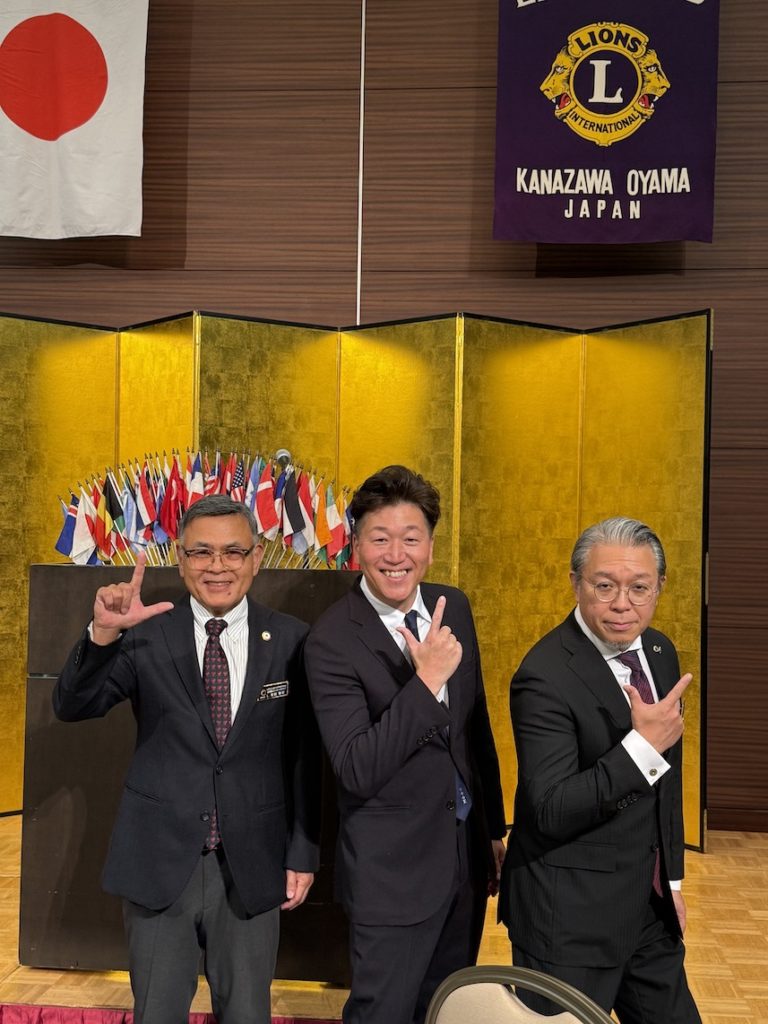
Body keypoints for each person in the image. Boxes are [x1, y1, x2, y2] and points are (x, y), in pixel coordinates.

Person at [53, 495, 320, 1024]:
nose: (217, 566)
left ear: (256, 556)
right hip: (158, 862)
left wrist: (303, 853)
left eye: (233, 551)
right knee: (157, 1013)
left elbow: (303, 759)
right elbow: (73, 705)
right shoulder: (144, 632)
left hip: (251, 864)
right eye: (201, 552)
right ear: (180, 558)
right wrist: (104, 634)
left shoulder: (292, 639)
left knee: (247, 1014)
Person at [304, 464, 507, 1024]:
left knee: (446, 1009)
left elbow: (475, 728)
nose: (396, 555)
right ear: (356, 547)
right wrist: (426, 682)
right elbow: (356, 767)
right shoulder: (331, 640)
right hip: (391, 875)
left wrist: (492, 828)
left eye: (411, 539)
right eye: (380, 539)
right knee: (383, 1013)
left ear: (431, 547)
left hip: (463, 860)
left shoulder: (453, 606)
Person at [499, 516, 700, 1023]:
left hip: (647, 910)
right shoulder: (543, 675)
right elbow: (551, 809)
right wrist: (640, 749)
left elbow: (667, 785)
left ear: (660, 587)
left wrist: (672, 882)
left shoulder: (660, 651)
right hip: (568, 918)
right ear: (576, 583)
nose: (622, 604)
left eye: (639, 588)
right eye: (605, 586)